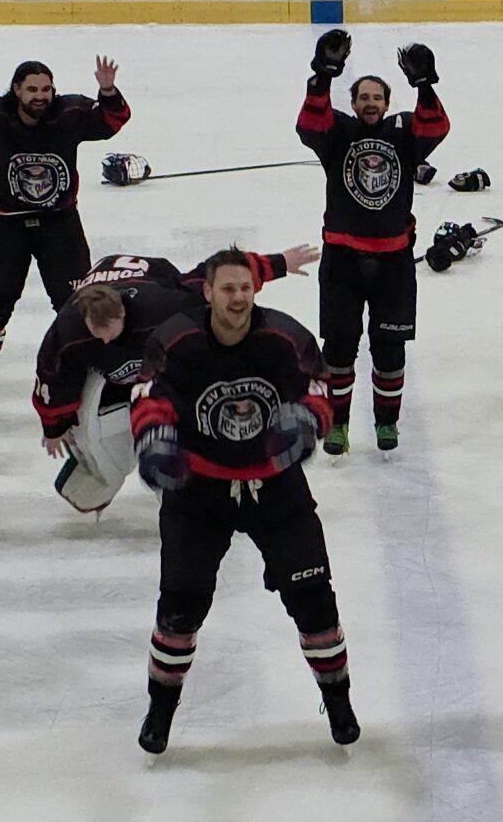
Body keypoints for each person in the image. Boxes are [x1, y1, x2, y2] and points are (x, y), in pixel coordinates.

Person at [128, 249, 355, 754]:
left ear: (256, 291)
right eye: (227, 289)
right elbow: (150, 395)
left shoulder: (285, 337)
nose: (237, 298)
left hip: (274, 487)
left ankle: (338, 704)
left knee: (315, 600)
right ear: (207, 291)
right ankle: (160, 711)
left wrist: (309, 418)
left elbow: (319, 385)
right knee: (180, 609)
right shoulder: (176, 340)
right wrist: (155, 438)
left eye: (245, 289)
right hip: (198, 490)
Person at [32, 245, 315, 517]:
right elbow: (51, 372)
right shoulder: (70, 328)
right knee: (88, 428)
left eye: (109, 331)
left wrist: (279, 263)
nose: (103, 339)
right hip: (106, 369)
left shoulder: (164, 306)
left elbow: (216, 276)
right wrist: (54, 425)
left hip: (154, 286)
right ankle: (94, 469)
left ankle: (195, 492)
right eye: (96, 332)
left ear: (123, 314)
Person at [0, 49, 130, 406]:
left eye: (46, 89)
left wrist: (107, 90)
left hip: (59, 223)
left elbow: (114, 120)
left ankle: (83, 368)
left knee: (75, 301)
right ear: (16, 90)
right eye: (32, 89)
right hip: (5, 225)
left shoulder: (68, 114)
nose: (40, 96)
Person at [295, 27, 449, 454]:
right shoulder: (337, 134)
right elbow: (309, 123)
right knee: (340, 346)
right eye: (362, 97)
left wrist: (425, 86)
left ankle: (386, 423)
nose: (370, 103)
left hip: (394, 261)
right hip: (342, 258)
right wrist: (322, 76)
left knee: (388, 345)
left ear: (386, 103)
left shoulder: (402, 135)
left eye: (377, 98)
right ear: (353, 102)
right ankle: (339, 424)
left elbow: (436, 127)